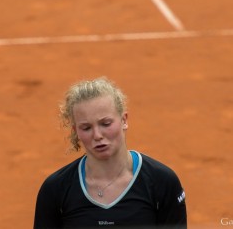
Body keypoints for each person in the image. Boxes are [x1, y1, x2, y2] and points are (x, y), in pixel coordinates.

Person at [33, 77, 187, 229]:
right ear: (76, 131)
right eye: (86, 128)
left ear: (124, 120)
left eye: (105, 124)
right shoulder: (55, 189)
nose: (97, 135)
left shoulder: (162, 182)